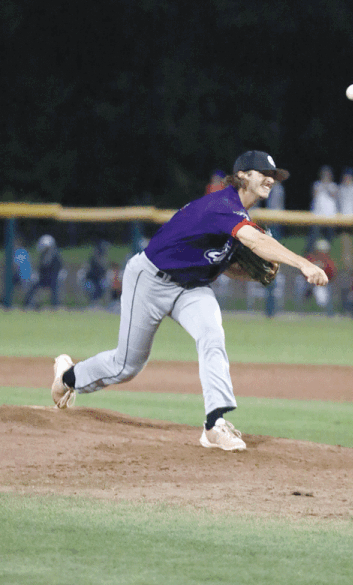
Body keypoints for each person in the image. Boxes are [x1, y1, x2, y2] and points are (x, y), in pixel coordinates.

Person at [51, 150, 328, 452]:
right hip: (150, 280)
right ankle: (68, 377)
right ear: (243, 176)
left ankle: (214, 425)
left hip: (192, 288)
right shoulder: (222, 205)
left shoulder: (240, 218)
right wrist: (304, 263)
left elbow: (225, 263)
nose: (270, 179)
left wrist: (247, 272)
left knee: (212, 335)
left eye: (274, 176)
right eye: (264, 173)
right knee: (126, 366)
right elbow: (257, 241)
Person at [23, 235, 62, 309]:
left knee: (55, 285)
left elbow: (57, 270)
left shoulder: (56, 256)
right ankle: (28, 304)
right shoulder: (43, 256)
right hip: (43, 279)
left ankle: (55, 305)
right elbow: (40, 269)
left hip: (53, 279)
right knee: (33, 284)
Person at [305, 165, 338, 253]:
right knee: (313, 237)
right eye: (324, 174)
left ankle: (326, 257)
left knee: (329, 238)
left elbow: (334, 195)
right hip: (317, 215)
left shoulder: (333, 186)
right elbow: (314, 195)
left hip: (330, 216)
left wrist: (327, 186)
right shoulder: (317, 184)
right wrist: (323, 185)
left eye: (327, 174)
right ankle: (308, 255)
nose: (326, 176)